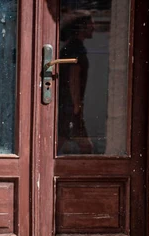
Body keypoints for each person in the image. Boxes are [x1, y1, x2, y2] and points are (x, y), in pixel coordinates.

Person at [57, 10, 95, 155]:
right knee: (86, 147)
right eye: (91, 24)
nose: (93, 27)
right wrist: (76, 105)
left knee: (60, 140)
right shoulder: (75, 49)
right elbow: (73, 78)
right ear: (81, 27)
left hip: (66, 105)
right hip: (69, 106)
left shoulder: (70, 47)